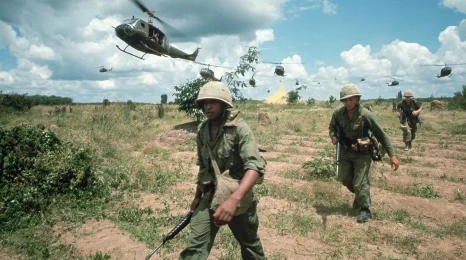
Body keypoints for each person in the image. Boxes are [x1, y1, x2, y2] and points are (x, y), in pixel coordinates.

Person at [179, 81, 266, 260]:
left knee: (250, 246)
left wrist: (233, 201)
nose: (207, 106)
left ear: (224, 104)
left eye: (213, 102)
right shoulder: (203, 129)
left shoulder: (240, 129)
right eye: (204, 103)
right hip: (210, 195)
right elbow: (204, 167)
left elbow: (255, 167)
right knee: (194, 248)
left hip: (238, 195)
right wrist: (197, 197)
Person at [329, 83, 399, 223]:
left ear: (357, 98)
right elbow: (332, 127)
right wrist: (333, 136)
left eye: (351, 99)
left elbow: (381, 135)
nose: (348, 102)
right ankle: (361, 195)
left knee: (360, 182)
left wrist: (393, 155)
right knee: (345, 179)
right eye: (345, 100)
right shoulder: (338, 113)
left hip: (362, 153)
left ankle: (365, 209)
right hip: (345, 152)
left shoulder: (366, 115)